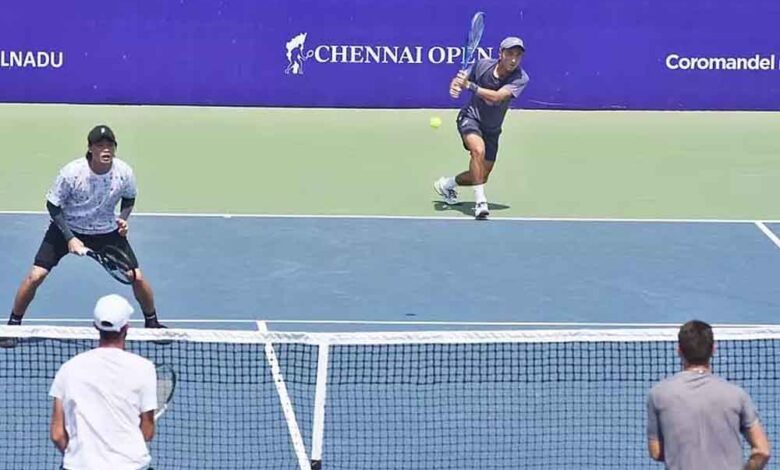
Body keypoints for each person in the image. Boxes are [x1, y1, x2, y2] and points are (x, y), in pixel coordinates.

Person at [7, 125, 163, 330]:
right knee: (36, 275)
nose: (106, 149)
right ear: (90, 148)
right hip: (67, 228)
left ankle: (152, 323)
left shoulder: (124, 172)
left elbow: (129, 197)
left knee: (136, 277)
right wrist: (70, 238)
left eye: (110, 145)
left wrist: (123, 219)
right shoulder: (72, 172)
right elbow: (53, 205)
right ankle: (13, 325)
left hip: (106, 231)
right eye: (100, 145)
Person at [50, 294, 157, 470]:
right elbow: (147, 432)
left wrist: (80, 459)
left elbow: (57, 434)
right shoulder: (144, 368)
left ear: (95, 326)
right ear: (126, 328)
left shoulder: (68, 368)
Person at [646, 320, 771, 470]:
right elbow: (763, 451)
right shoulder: (737, 395)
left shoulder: (659, 394)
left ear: (679, 351)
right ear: (713, 350)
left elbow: (656, 452)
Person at [434, 36, 530, 220]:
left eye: (518, 55)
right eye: (510, 54)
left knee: (481, 176)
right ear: (500, 54)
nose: (513, 59)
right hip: (470, 118)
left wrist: (469, 85)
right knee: (478, 150)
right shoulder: (482, 65)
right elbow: (459, 80)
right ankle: (480, 202)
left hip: (492, 129)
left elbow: (497, 97)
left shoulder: (521, 78)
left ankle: (447, 184)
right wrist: (455, 85)